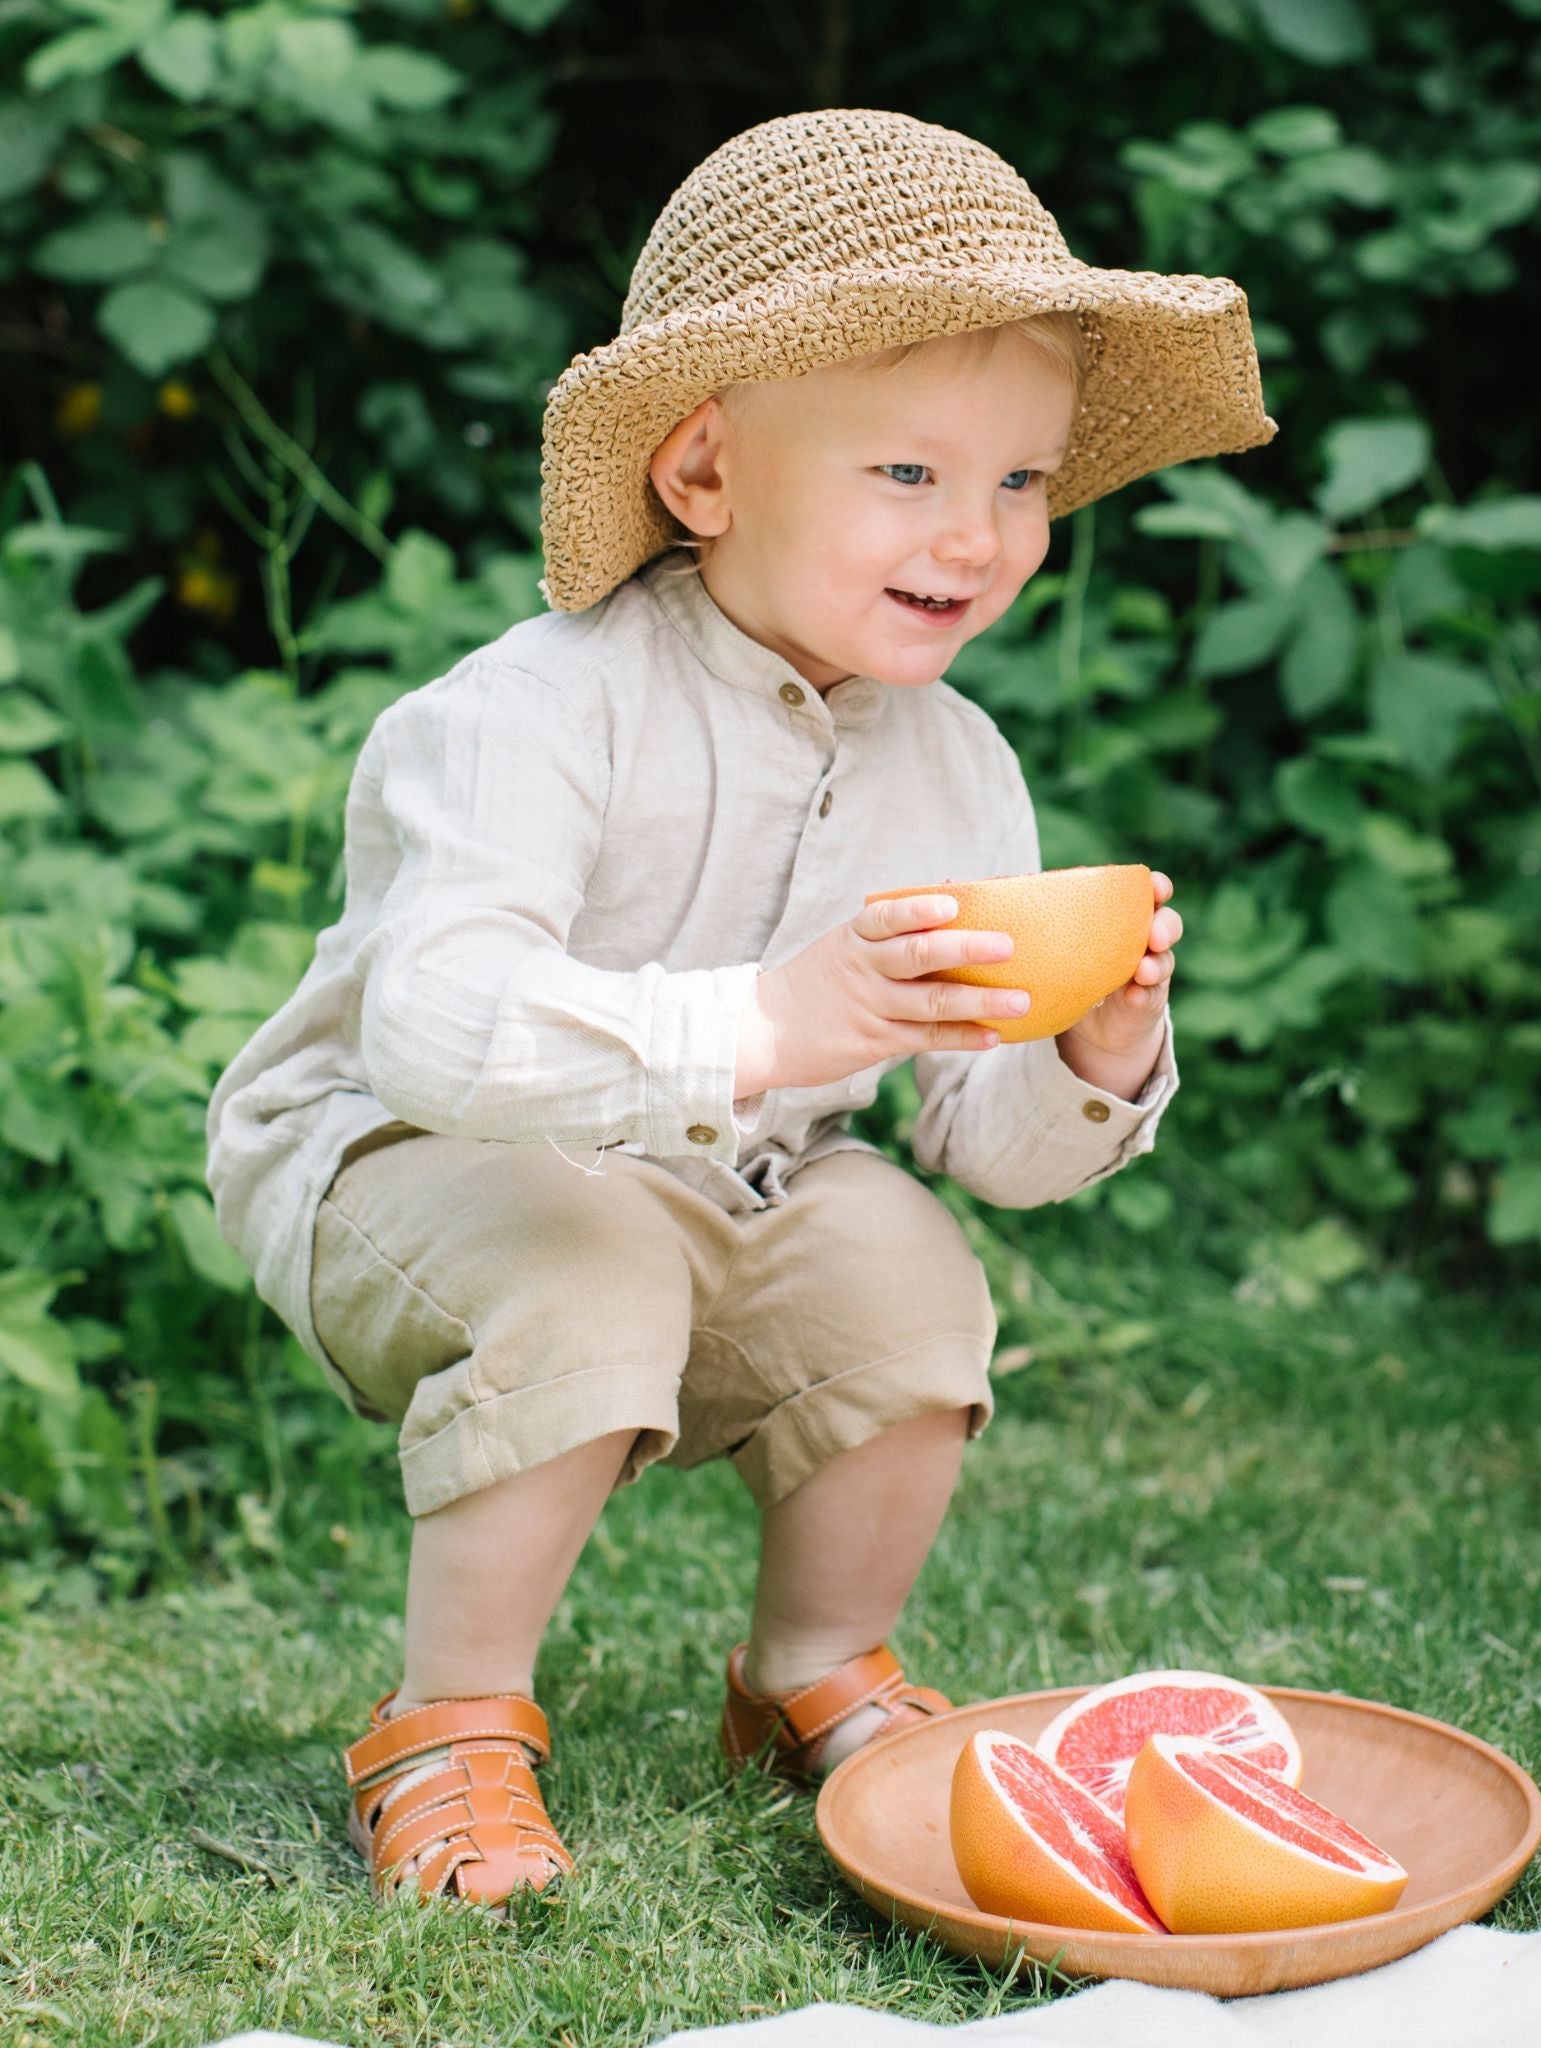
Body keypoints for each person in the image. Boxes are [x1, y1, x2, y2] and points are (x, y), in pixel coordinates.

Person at [205, 106, 1274, 1911]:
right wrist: (770, 1024)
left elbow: (984, 1151)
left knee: (907, 1269)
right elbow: (438, 1027)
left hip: (736, 1181)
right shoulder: (537, 709)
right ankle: (450, 1726)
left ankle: (812, 1675)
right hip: (407, 1163)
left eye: (1020, 482)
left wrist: (1098, 1056)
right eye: (911, 476)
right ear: (704, 477)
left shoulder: (958, 764)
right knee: (592, 1265)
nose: (983, 536)